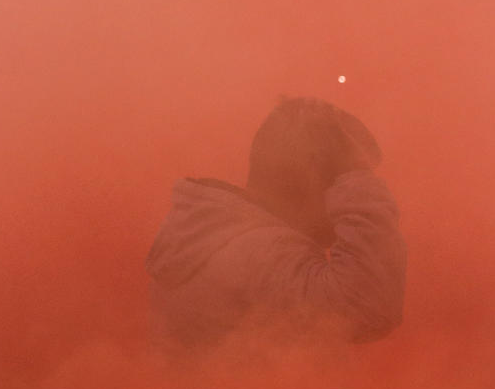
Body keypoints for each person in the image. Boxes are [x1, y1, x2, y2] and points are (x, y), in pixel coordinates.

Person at [146, 97, 406, 350]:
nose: (341, 206)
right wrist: (355, 176)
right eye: (340, 179)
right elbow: (365, 307)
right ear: (312, 172)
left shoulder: (221, 237)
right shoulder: (258, 253)